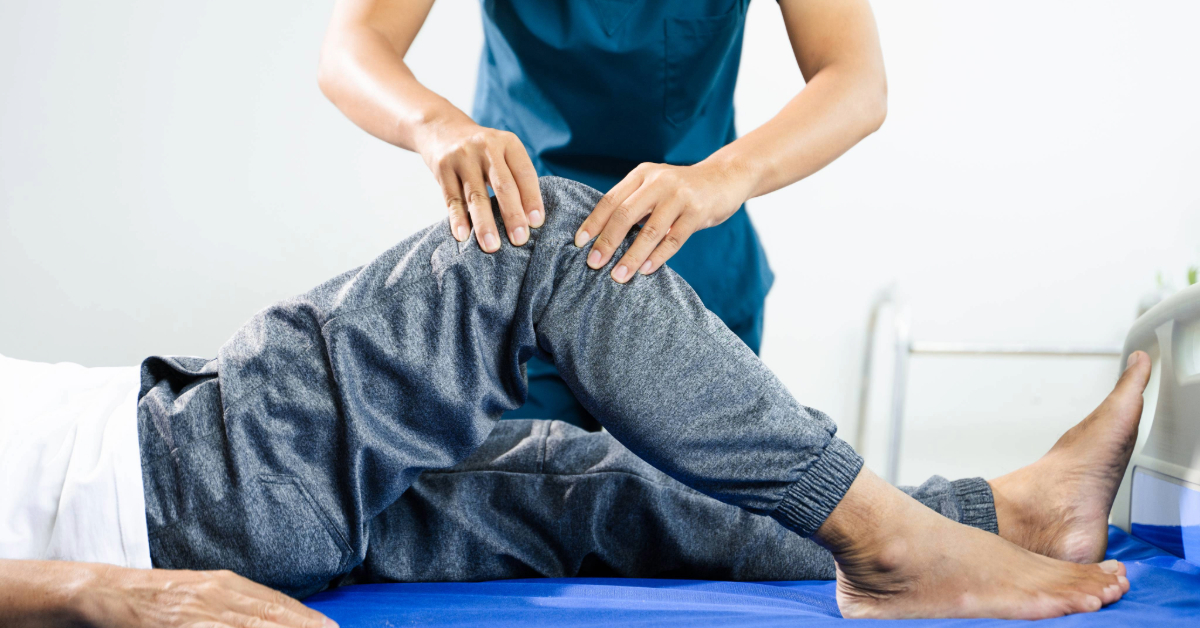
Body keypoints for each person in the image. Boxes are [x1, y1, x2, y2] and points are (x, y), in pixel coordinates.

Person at [2, 178, 1145, 624]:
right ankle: (900, 551)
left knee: (572, 484)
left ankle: (997, 513)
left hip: (146, 472)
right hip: (151, 493)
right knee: (540, 241)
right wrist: (109, 592)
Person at [317, 0, 889, 429]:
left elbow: (855, 80)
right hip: (518, 283)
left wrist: (725, 175)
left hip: (694, 274)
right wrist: (436, 126)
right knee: (516, 533)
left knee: (690, 541)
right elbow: (352, 44)